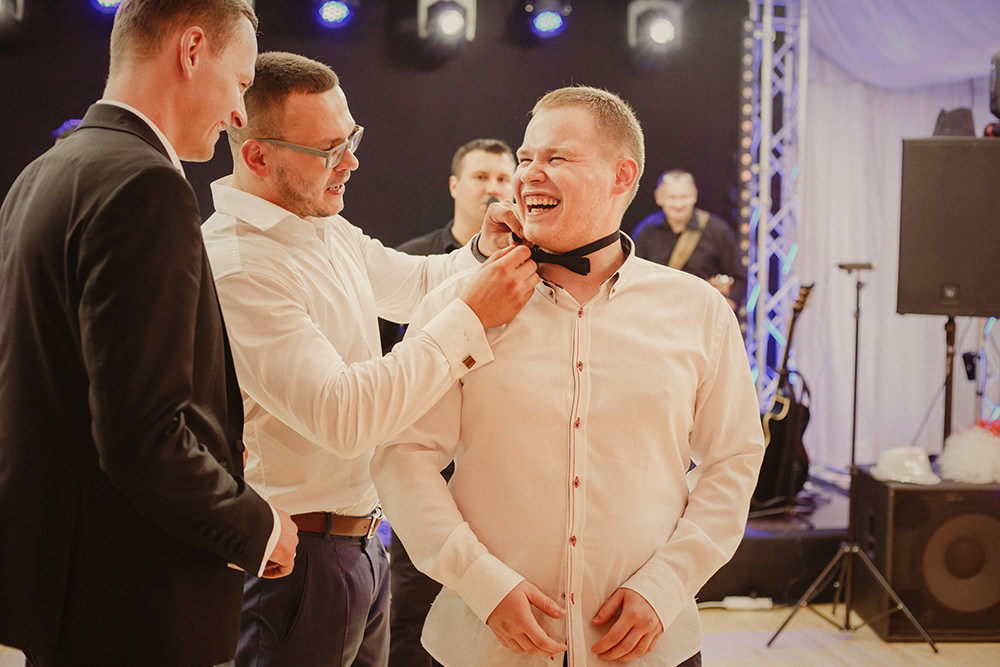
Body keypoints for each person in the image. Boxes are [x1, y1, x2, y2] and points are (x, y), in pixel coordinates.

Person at [371, 86, 765, 666]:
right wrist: (480, 580)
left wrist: (666, 586)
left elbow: (733, 459)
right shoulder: (459, 305)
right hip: (483, 647)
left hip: (648, 648)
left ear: (622, 176)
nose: (529, 174)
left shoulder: (698, 310)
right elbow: (403, 454)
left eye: (556, 157)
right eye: (525, 158)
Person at [202, 52, 537, 667]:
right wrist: (470, 318)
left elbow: (412, 283)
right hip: (295, 557)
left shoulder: (318, 223)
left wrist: (478, 254)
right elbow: (345, 416)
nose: (351, 162)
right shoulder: (241, 265)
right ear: (258, 157)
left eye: (351, 138)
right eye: (329, 149)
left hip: (359, 541)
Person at [0, 2, 299, 666]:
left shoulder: (39, 175)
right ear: (191, 50)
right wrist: (255, 526)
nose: (239, 114)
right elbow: (142, 436)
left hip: (46, 601)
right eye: (240, 83)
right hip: (128, 609)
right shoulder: (146, 184)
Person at [382, 138, 516, 666]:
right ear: (455, 186)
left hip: (496, 469)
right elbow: (379, 360)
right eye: (482, 177)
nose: (494, 188)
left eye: (503, 178)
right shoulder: (413, 262)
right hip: (424, 463)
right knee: (413, 614)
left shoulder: (530, 268)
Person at [632, 170, 746, 308]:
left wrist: (727, 305)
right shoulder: (646, 231)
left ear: (695, 196)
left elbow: (739, 280)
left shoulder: (717, 230)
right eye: (672, 197)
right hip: (658, 311)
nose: (678, 204)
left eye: (684, 197)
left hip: (701, 313)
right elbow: (632, 276)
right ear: (659, 198)